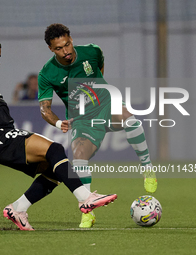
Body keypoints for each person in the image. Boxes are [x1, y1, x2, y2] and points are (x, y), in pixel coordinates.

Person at [0, 37, 117, 231]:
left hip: (4, 137)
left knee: (54, 170)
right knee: (55, 150)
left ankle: (17, 209)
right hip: (1, 139)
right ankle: (85, 198)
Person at [38, 23, 157, 228]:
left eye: (67, 44)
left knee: (132, 121)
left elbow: (99, 66)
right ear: (50, 48)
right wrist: (58, 122)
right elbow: (45, 108)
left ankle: (147, 167)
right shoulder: (47, 74)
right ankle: (87, 210)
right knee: (79, 155)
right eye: (59, 48)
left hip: (106, 102)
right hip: (81, 118)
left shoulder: (91, 51)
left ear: (71, 39)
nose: (65, 51)